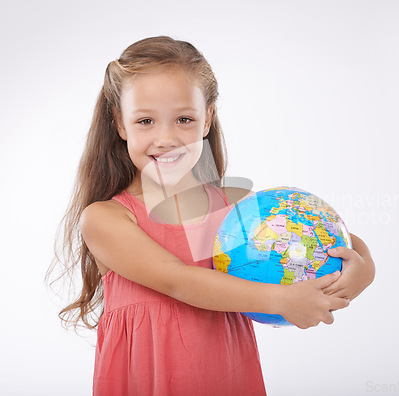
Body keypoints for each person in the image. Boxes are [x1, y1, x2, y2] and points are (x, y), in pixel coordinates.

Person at [48, 36, 375, 395]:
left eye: (184, 119)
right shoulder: (106, 219)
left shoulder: (238, 211)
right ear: (120, 124)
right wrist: (281, 300)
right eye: (145, 121)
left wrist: (363, 269)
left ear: (207, 120)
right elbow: (177, 280)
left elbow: (332, 235)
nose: (166, 138)